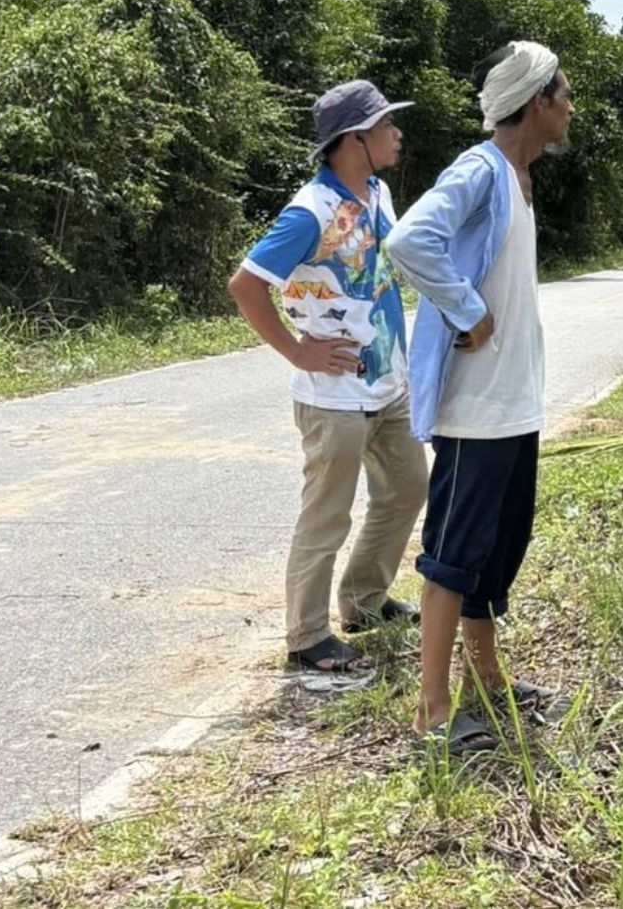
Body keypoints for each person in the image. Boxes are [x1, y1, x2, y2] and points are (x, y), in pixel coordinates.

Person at [383, 41, 573, 754]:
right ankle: (432, 711)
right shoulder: (481, 169)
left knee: (496, 554)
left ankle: (487, 683)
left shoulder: (518, 181)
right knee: (453, 555)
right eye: (564, 94)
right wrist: (466, 309)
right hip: (475, 411)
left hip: (512, 405)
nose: (570, 108)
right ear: (537, 101)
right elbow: (410, 240)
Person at [228, 79, 427, 675]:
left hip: (387, 385)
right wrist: (298, 352)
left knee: (407, 488)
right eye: (385, 124)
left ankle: (364, 601)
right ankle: (307, 635)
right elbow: (246, 285)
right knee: (327, 515)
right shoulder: (310, 210)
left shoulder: (377, 193)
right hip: (332, 397)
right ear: (354, 139)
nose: (396, 133)